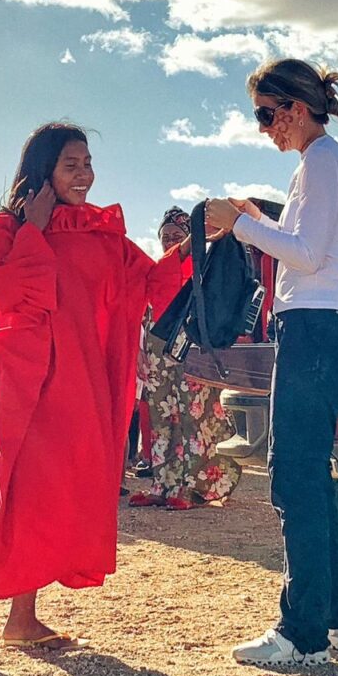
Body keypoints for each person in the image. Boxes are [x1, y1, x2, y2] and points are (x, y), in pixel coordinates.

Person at [0, 121, 181, 675]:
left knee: (57, 492)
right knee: (12, 491)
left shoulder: (101, 233)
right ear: (44, 169)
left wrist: (200, 244)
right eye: (71, 164)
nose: (85, 174)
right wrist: (30, 226)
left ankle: (21, 619)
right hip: (30, 385)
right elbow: (6, 290)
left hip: (81, 387)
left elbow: (151, 283)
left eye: (88, 163)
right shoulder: (9, 227)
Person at [206, 59, 338, 666]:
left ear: (295, 109)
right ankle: (330, 618)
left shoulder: (322, 162)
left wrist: (243, 224)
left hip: (316, 327)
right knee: (309, 475)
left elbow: (304, 253)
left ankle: (304, 633)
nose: (264, 128)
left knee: (295, 476)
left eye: (267, 114)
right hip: (327, 325)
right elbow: (309, 247)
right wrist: (259, 219)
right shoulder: (324, 164)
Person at [131, 207, 240, 510]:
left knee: (195, 417)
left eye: (176, 236)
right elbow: (145, 308)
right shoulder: (158, 268)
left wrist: (199, 236)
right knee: (160, 417)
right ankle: (162, 483)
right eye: (165, 237)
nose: (169, 242)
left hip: (192, 344)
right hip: (158, 346)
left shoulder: (202, 267)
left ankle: (194, 486)